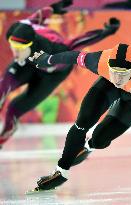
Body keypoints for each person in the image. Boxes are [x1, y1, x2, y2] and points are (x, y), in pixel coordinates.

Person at [28, 43, 131, 192]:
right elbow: (72, 56)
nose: (118, 79)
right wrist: (47, 59)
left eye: (123, 74)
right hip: (108, 86)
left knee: (101, 140)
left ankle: (89, 146)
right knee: (83, 122)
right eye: (115, 72)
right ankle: (61, 172)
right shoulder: (99, 61)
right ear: (108, 66)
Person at [0, 0, 120, 148]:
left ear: (31, 44)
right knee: (2, 88)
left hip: (52, 74)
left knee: (14, 109)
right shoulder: (22, 29)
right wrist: (52, 8)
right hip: (29, 64)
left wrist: (106, 31)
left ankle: (1, 140)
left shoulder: (55, 48)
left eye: (19, 48)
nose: (15, 52)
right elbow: (37, 17)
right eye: (13, 47)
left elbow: (78, 42)